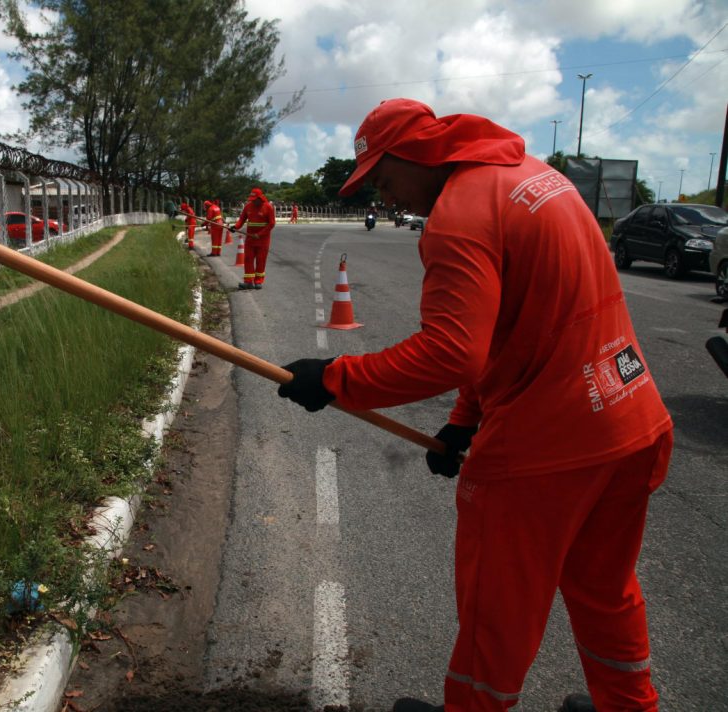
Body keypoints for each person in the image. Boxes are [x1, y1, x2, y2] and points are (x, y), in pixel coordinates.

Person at [276, 99, 672, 712]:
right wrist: (464, 421)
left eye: (384, 177)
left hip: (548, 448)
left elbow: (450, 353)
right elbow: (511, 331)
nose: (389, 196)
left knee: (499, 606)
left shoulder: (458, 217)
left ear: (415, 152)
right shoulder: (538, 177)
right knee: (604, 589)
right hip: (629, 419)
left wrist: (333, 378)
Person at [232, 187, 276, 289]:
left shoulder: (268, 207)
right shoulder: (248, 207)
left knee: (261, 260)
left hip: (263, 240)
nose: (253, 202)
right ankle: (248, 282)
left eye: (254, 200)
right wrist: (235, 227)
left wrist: (260, 234)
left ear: (260, 198)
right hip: (250, 239)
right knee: (248, 259)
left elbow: (271, 224)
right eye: (251, 200)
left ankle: (258, 281)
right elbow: (242, 219)